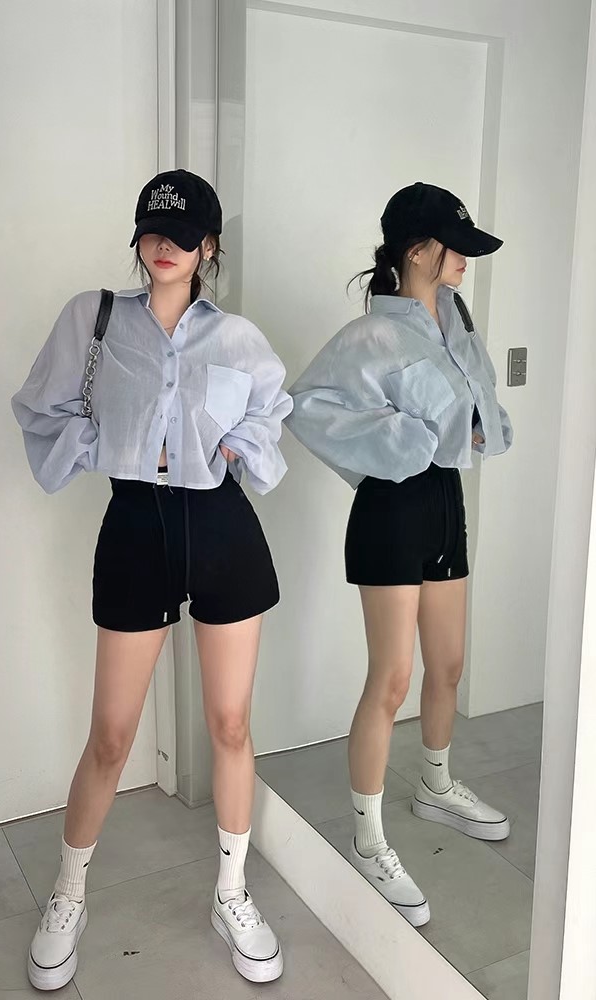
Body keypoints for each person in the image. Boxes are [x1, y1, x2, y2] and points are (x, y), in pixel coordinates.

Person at [12, 169, 291, 988]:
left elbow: (272, 412)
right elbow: (41, 409)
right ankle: (69, 895)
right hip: (136, 525)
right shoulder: (94, 320)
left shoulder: (237, 338)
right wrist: (108, 447)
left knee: (230, 725)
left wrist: (236, 447)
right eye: (152, 231)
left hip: (222, 527)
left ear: (210, 247)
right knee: (110, 735)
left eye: (183, 234)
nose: (164, 246)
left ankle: (232, 893)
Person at [285, 182, 513, 926]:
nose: (465, 263)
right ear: (419, 251)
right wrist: (402, 438)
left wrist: (477, 428)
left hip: (444, 501)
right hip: (390, 511)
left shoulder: (457, 320)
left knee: (448, 665)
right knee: (392, 678)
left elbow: (474, 406)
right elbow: (306, 406)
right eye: (456, 249)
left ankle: (435, 785)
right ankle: (367, 837)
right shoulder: (371, 336)